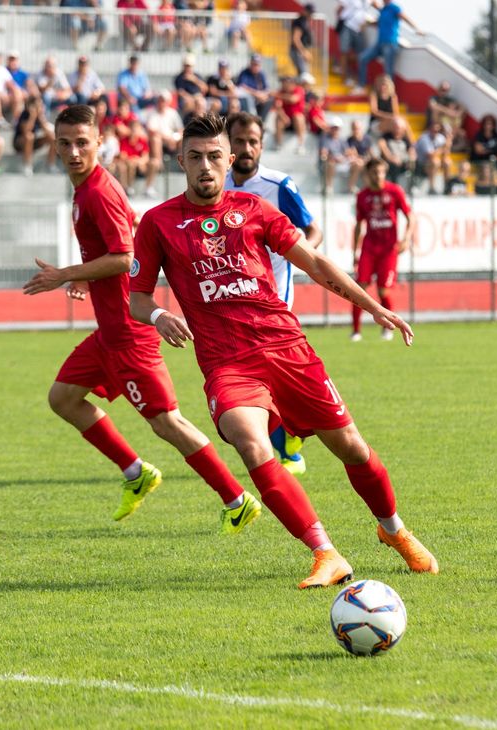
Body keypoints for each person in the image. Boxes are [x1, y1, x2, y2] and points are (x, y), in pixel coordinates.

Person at [129, 114, 439, 588]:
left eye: (214, 156)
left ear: (229, 160)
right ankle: (325, 553)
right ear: (181, 162)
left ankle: (394, 529)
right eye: (195, 157)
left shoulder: (254, 208)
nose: (205, 166)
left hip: (287, 348)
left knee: (352, 448)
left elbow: (314, 262)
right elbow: (137, 298)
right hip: (228, 364)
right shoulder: (158, 223)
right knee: (251, 442)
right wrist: (158, 315)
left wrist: (374, 307)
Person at [22, 104, 263, 535]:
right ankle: (136, 473)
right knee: (63, 398)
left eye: (82, 143)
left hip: (130, 331)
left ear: (99, 143)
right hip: (109, 332)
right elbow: (117, 246)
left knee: (167, 421)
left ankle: (236, 499)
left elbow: (124, 256)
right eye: (65, 143)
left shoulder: (99, 192)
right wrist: (86, 279)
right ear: (55, 147)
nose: (74, 152)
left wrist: (66, 274)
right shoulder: (85, 190)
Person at [225, 111, 322, 475]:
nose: (246, 148)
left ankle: (289, 439)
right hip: (232, 296)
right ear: (228, 146)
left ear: (262, 145)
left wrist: (302, 255)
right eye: (239, 141)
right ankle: (286, 440)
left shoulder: (278, 185)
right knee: (255, 373)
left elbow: (312, 231)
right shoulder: (217, 185)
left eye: (253, 141)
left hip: (274, 295)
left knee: (273, 370)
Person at [352, 158, 416, 342]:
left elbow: (410, 217)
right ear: (368, 174)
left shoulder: (395, 191)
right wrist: (355, 251)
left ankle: (388, 328)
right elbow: (359, 225)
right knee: (359, 288)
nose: (378, 176)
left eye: (381, 172)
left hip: (388, 250)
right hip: (369, 248)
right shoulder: (362, 196)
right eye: (375, 172)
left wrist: (406, 238)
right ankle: (356, 331)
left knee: (383, 291)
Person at [357, 0, 422, 92]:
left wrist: (416, 29)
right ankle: (362, 85)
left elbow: (405, 18)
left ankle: (390, 94)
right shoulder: (383, 10)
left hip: (390, 43)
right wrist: (367, 23)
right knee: (363, 58)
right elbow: (379, 23)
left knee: (388, 70)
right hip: (379, 43)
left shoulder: (394, 8)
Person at [336, 0, 371, 87]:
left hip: (359, 30)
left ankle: (341, 65)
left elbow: (379, 6)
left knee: (361, 55)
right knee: (344, 52)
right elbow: (339, 9)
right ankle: (343, 78)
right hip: (347, 26)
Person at [470, 113, 497, 195]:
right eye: (486, 124)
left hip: (493, 162)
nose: (488, 126)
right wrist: (492, 150)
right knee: (487, 170)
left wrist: (486, 149)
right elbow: (478, 150)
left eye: (490, 124)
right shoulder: (479, 135)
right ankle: (484, 192)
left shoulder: (496, 136)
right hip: (479, 161)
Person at [236, 53, 272, 119]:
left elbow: (267, 89)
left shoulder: (262, 74)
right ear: (250, 64)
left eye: (257, 64)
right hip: (248, 98)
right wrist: (256, 94)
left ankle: (260, 121)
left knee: (269, 100)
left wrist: (262, 95)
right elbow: (242, 87)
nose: (255, 66)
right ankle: (252, 120)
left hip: (259, 98)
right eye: (254, 64)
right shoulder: (245, 72)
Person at [289, 3, 314, 79]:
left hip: (299, 51)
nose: (311, 15)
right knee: (304, 76)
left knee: (302, 76)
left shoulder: (304, 21)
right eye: (310, 13)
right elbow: (295, 39)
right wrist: (303, 52)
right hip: (298, 52)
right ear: (305, 11)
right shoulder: (300, 22)